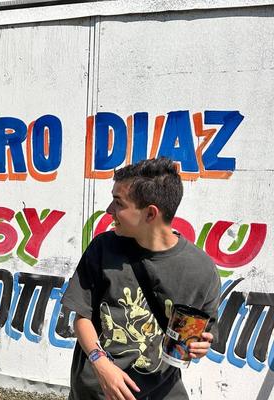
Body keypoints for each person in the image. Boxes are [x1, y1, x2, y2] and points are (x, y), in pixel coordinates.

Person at [61, 157, 221, 400]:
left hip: (162, 392)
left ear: (150, 213)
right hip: (98, 392)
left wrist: (200, 347)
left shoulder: (201, 270)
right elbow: (82, 317)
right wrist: (101, 364)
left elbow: (203, 334)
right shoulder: (103, 248)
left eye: (118, 203)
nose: (109, 210)